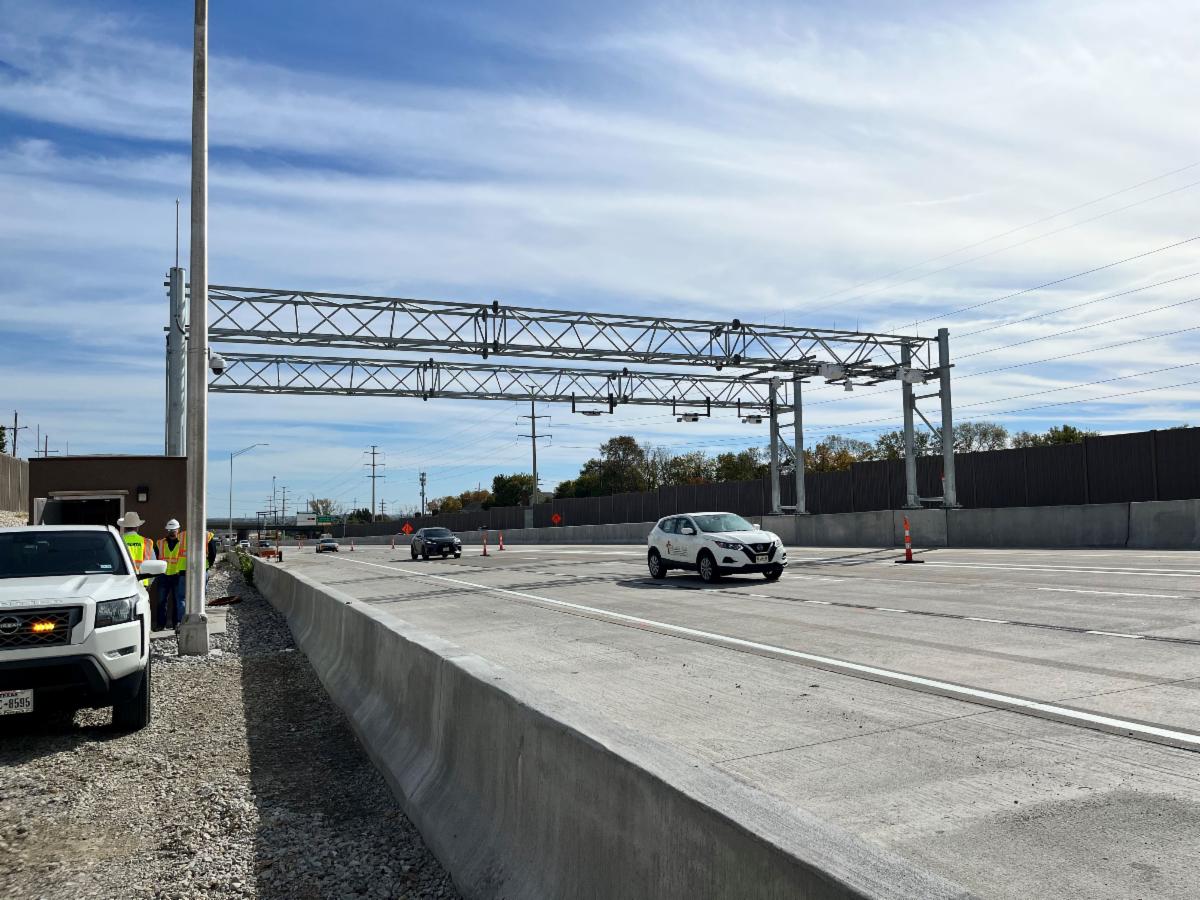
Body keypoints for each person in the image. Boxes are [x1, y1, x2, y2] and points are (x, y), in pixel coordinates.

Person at [156, 520, 218, 630]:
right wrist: (208, 566)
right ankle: (199, 620)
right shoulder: (207, 535)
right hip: (199, 570)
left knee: (181, 598)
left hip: (183, 572)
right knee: (200, 596)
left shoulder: (182, 536)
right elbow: (213, 553)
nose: (172, 532)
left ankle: (181, 623)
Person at [155, 519, 186, 630]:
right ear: (167, 530)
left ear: (178, 530)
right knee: (161, 601)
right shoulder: (160, 543)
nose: (172, 532)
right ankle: (160, 625)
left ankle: (176, 623)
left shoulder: (183, 543)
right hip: (163, 576)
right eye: (170, 530)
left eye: (174, 530)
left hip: (178, 576)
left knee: (178, 601)